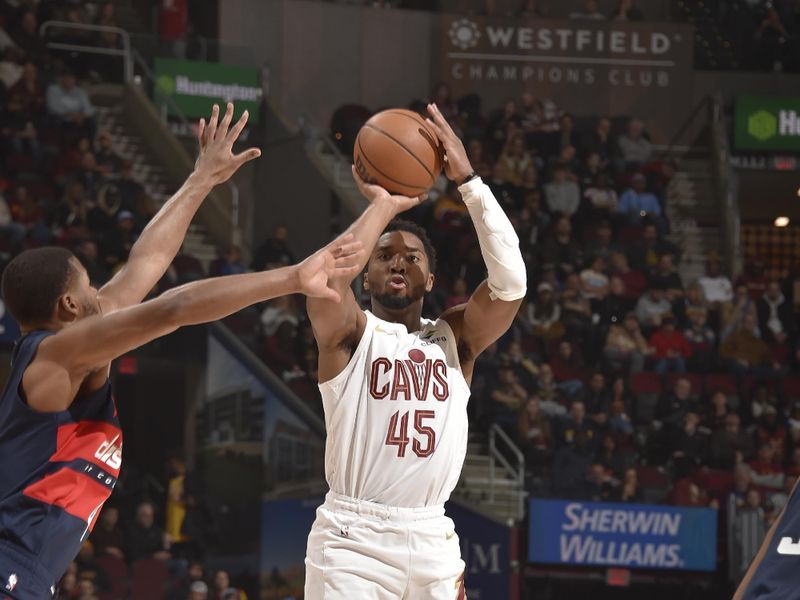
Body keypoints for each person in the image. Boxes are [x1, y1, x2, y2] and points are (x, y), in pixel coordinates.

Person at [0, 104, 364, 600]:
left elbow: (145, 263)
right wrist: (291, 278)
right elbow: (174, 307)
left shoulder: (71, 345)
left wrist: (200, 179)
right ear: (68, 305)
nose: (100, 293)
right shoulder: (57, 357)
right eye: (89, 286)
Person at [303, 103, 526, 598]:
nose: (398, 262)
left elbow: (511, 282)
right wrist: (382, 206)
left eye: (412, 256)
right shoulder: (349, 336)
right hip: (352, 538)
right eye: (383, 256)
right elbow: (325, 281)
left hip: (432, 538)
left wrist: (468, 181)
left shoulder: (455, 337)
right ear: (367, 275)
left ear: (431, 278)